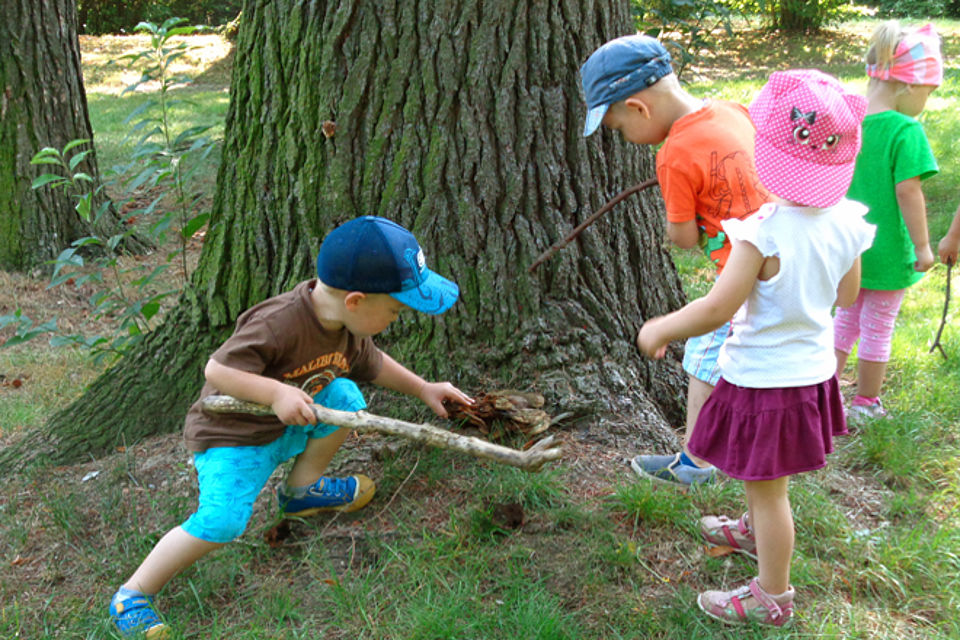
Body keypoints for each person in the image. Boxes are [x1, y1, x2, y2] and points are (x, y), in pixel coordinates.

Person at [108, 216, 473, 638]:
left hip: (290, 425)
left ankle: (300, 493)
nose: (396, 318)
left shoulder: (345, 325)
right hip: (235, 439)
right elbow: (218, 370)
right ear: (355, 300)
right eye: (394, 309)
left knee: (347, 399)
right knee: (223, 521)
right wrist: (276, 394)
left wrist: (423, 388)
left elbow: (371, 364)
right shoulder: (279, 321)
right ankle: (133, 594)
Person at [638, 69, 875, 625]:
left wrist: (663, 328)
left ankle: (772, 596)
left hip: (766, 380)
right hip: (812, 373)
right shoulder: (848, 222)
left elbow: (718, 308)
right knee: (764, 478)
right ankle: (753, 529)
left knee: (771, 494)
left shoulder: (759, 232)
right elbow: (848, 293)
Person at [580, 34, 772, 485]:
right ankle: (738, 450)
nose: (625, 139)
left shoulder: (674, 154)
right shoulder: (732, 110)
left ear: (638, 108)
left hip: (748, 274)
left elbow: (683, 238)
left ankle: (696, 465)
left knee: (704, 358)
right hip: (783, 259)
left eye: (619, 129)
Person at [833, 21, 942, 422]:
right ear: (908, 86)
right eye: (930, 92)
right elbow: (908, 191)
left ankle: (821, 396)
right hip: (888, 249)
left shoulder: (846, 119)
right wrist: (924, 246)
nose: (927, 102)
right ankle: (865, 404)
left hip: (846, 244)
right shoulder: (905, 129)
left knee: (844, 319)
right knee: (878, 326)